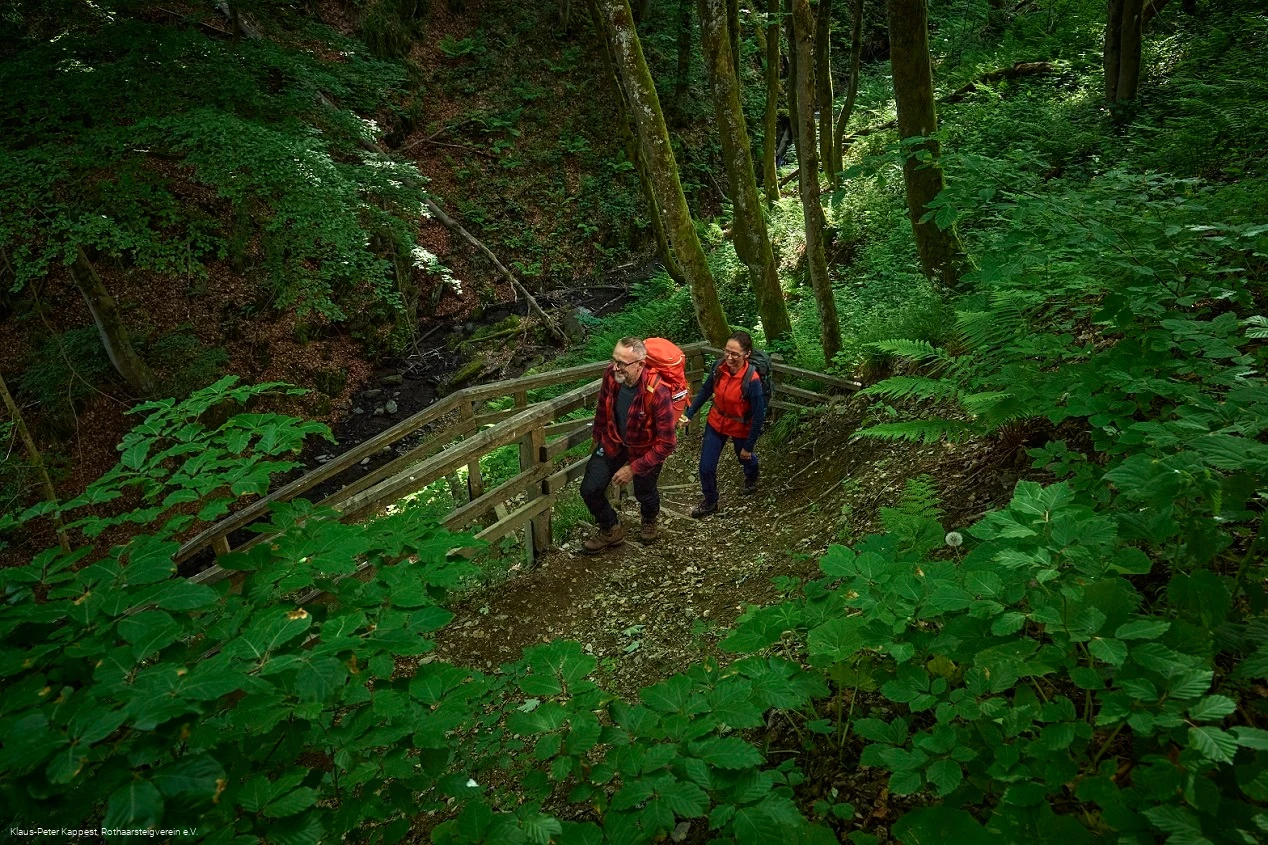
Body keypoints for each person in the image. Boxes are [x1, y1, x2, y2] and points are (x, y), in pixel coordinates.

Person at [580, 337, 677, 553]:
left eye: (622, 363)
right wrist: (596, 439)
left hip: (645, 448)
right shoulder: (611, 375)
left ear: (640, 364)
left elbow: (667, 443)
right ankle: (610, 529)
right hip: (614, 440)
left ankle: (649, 518)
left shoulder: (658, 392)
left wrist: (633, 469)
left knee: (645, 493)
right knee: (590, 488)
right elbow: (602, 408)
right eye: (615, 360)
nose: (616, 367)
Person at [678, 330, 766, 518]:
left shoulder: (752, 380)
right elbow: (705, 391)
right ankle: (710, 501)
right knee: (706, 467)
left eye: (735, 354)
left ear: (747, 354)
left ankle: (751, 475)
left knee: (744, 457)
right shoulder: (719, 368)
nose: (729, 357)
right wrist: (690, 414)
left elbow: (759, 415)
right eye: (727, 351)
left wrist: (749, 446)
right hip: (716, 421)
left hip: (740, 425)